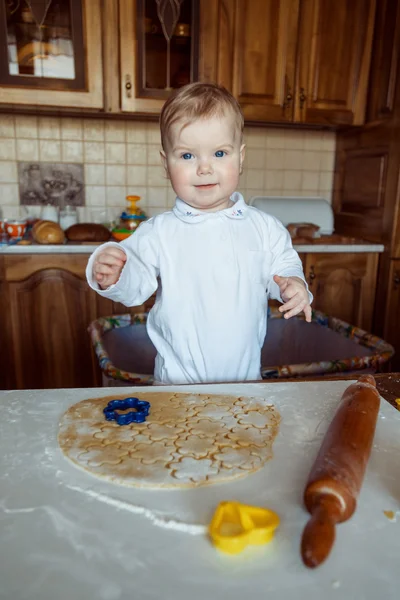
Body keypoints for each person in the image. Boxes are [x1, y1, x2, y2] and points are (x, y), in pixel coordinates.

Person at [86, 82, 312, 385]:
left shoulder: (264, 227)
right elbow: (134, 288)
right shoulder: (158, 232)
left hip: (243, 385)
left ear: (240, 157)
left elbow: (283, 269)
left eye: (219, 153)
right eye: (188, 156)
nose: (205, 168)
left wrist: (295, 286)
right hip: (175, 386)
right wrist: (114, 275)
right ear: (166, 163)